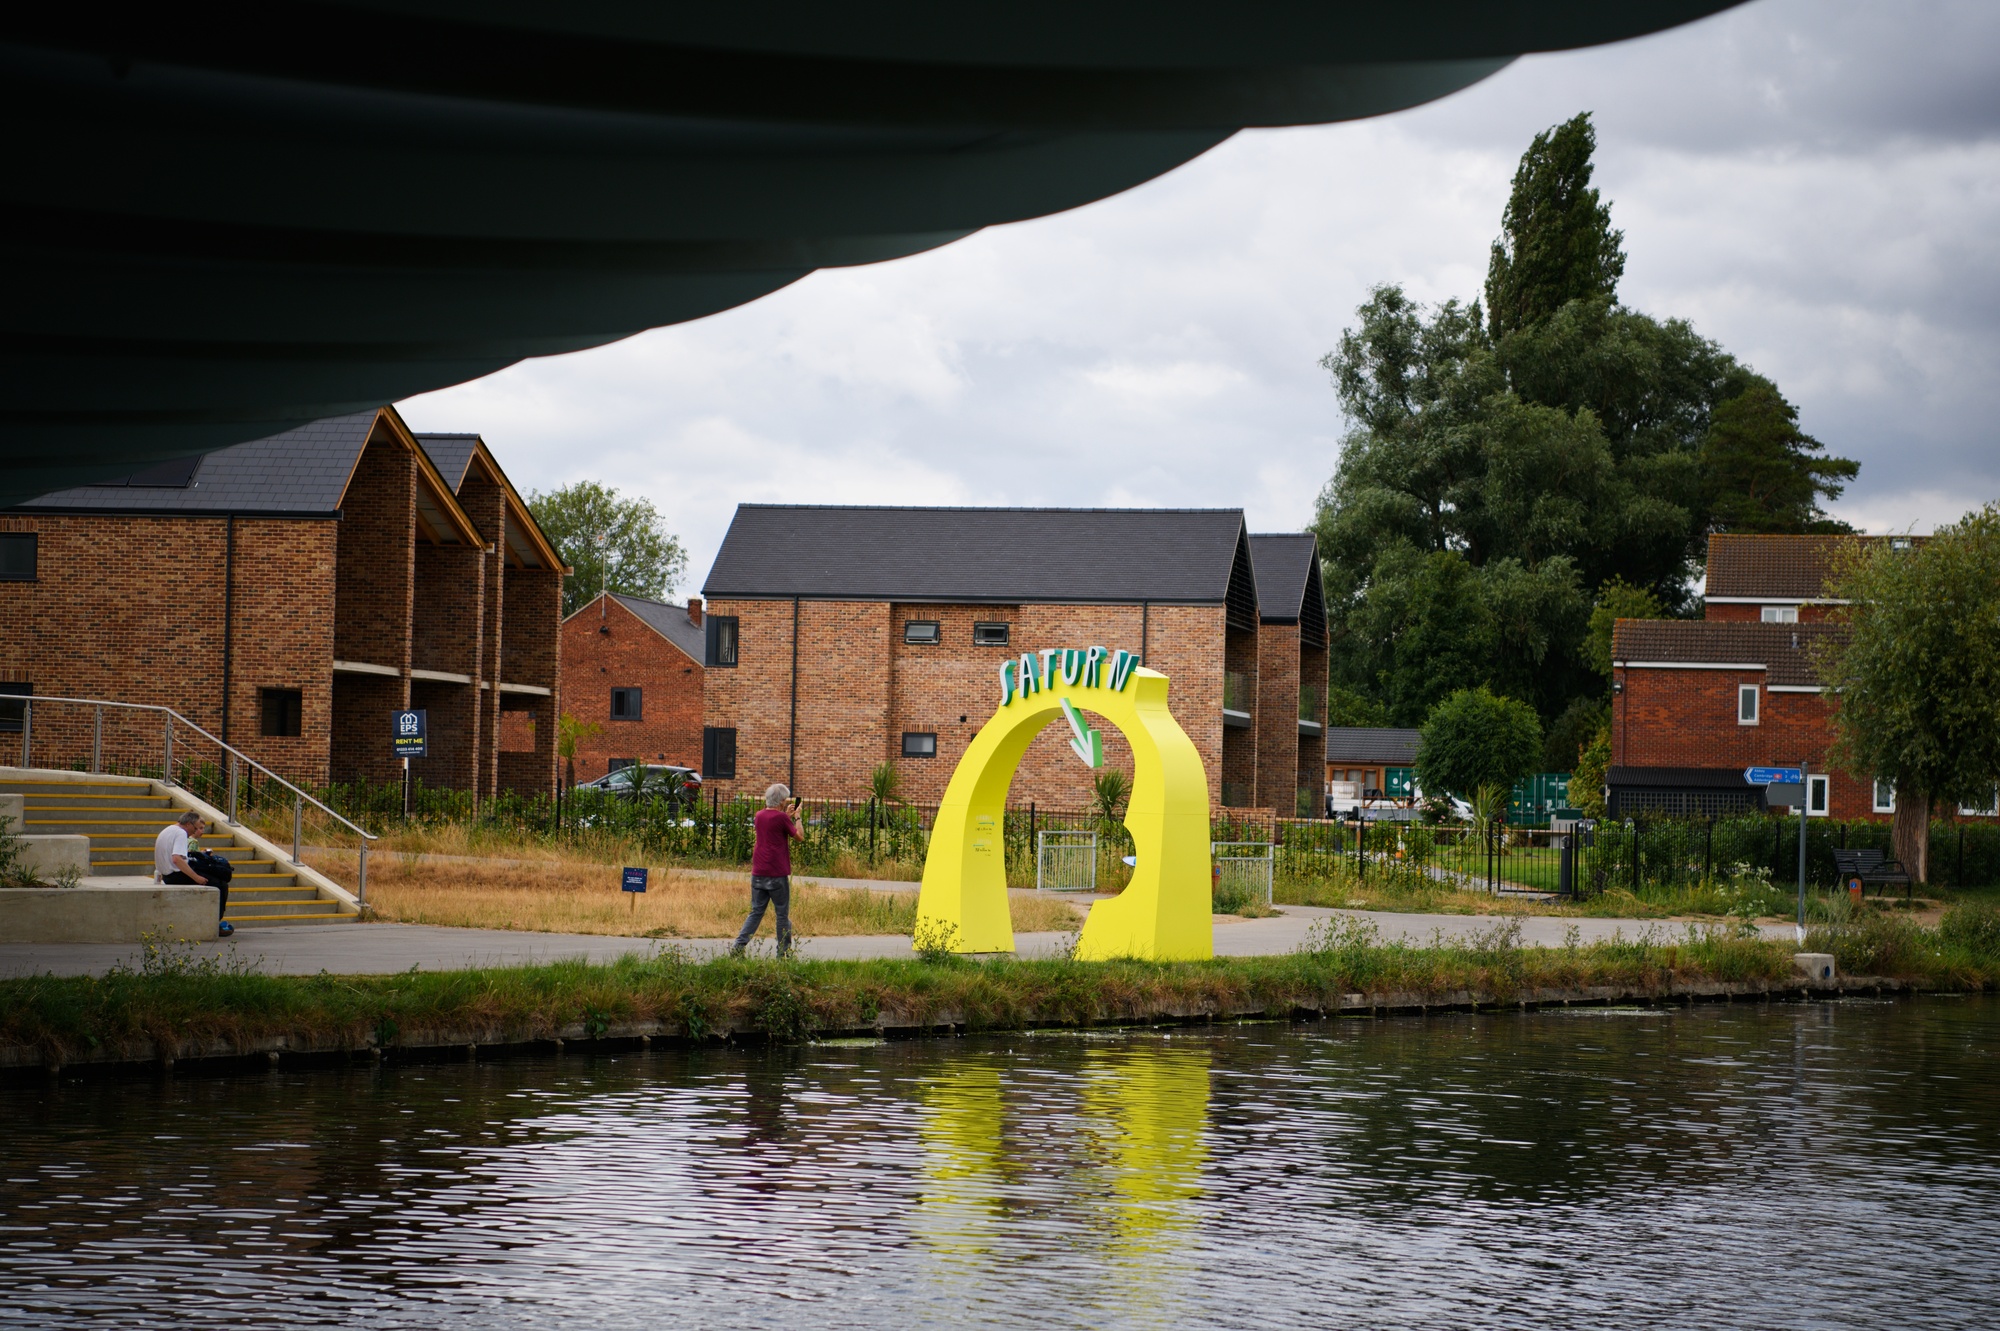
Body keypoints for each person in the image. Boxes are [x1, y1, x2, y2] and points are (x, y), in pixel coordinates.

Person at [732, 783, 802, 957]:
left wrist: (785, 816)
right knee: (781, 914)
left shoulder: (759, 815)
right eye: (785, 800)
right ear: (781, 801)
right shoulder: (781, 818)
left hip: (759, 871)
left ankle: (738, 947)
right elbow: (799, 837)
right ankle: (783, 953)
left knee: (756, 912)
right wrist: (797, 817)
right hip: (777, 872)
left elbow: (773, 828)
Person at [155, 810, 233, 937]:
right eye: (195, 828)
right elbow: (177, 859)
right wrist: (196, 878)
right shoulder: (181, 833)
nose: (194, 832)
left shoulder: (168, 829)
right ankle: (214, 924)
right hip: (176, 875)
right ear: (188, 824)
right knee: (220, 884)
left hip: (166, 875)